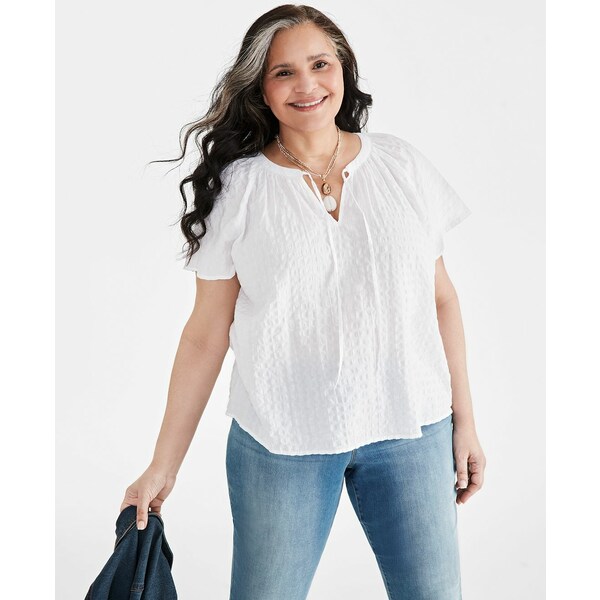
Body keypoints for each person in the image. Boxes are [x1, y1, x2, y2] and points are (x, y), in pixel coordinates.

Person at [121, 4, 487, 599]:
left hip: (412, 428)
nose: (307, 85)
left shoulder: (400, 165)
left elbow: (441, 298)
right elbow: (205, 335)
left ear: (343, 69)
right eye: (283, 72)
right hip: (282, 439)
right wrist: (163, 465)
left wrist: (464, 421)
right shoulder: (237, 191)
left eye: (320, 64)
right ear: (261, 90)